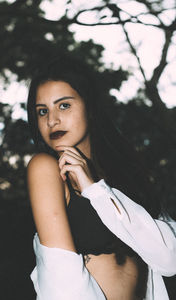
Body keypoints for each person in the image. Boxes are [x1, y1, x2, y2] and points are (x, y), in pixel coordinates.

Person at [26, 55, 176, 300]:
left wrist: (95, 189)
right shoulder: (46, 169)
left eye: (64, 105)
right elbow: (61, 277)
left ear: (90, 107)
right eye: (42, 111)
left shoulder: (130, 173)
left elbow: (170, 260)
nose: (51, 120)